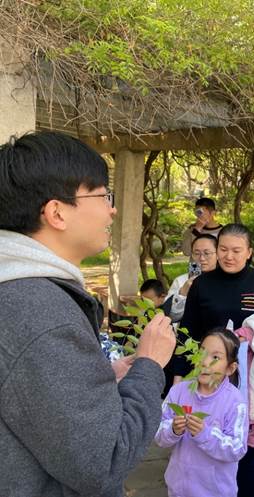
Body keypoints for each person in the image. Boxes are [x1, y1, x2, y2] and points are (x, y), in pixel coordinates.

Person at [0, 131, 176, 496]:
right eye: (102, 195)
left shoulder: (19, 293)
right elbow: (105, 461)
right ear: (57, 213)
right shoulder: (41, 313)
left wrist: (99, 377)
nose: (112, 209)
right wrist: (149, 365)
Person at [176, 223, 254, 497]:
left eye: (237, 250)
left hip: (251, 380)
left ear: (249, 252)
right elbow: (187, 331)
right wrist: (178, 377)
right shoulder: (202, 284)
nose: (229, 256)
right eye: (223, 249)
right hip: (208, 377)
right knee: (207, 437)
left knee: (249, 445)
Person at [156, 328, 248, 497]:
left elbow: (237, 448)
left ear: (230, 368)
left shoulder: (235, 402)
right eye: (201, 353)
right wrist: (173, 430)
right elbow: (158, 434)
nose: (205, 362)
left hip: (216, 492)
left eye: (215, 357)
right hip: (178, 490)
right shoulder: (178, 392)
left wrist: (205, 434)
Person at [166, 234, 219, 322]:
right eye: (197, 253)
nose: (202, 258)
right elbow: (171, 317)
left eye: (207, 253)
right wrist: (182, 294)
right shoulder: (181, 281)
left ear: (218, 254)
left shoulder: (227, 279)